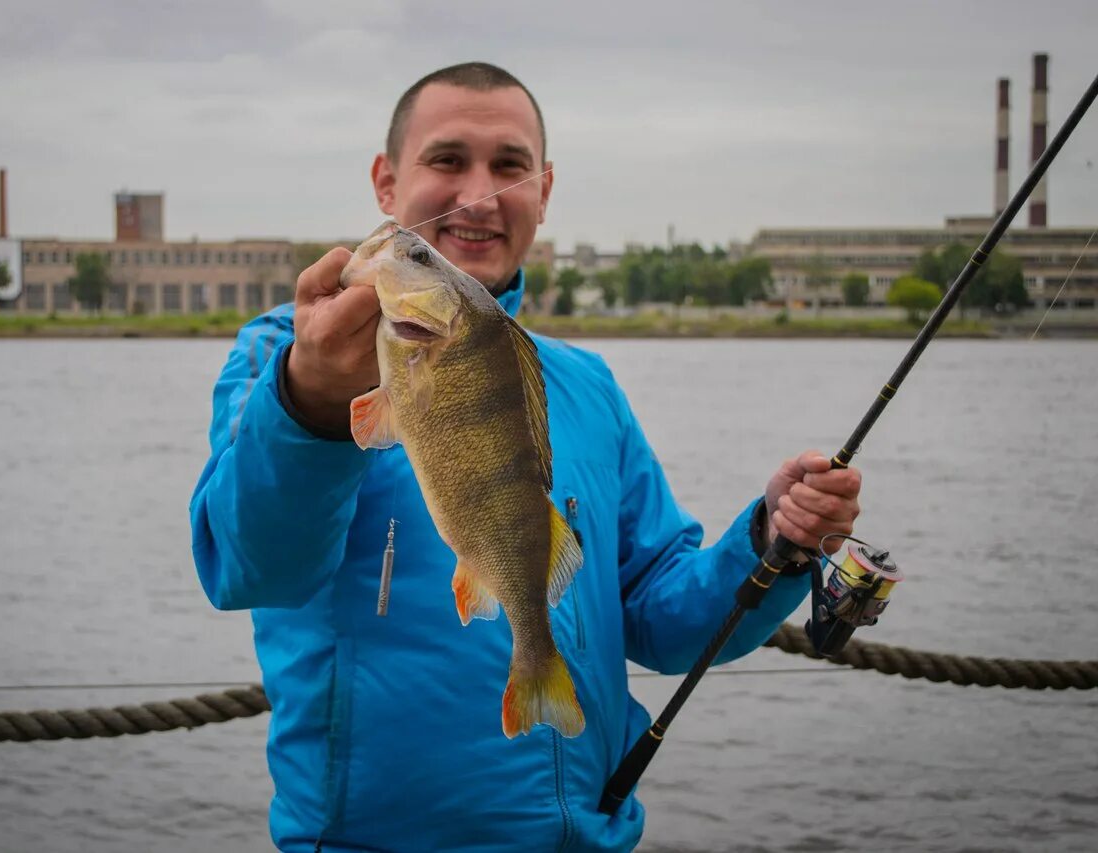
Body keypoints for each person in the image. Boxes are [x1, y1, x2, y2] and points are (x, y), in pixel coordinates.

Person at [190, 62, 861, 851]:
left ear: (543, 192)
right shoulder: (286, 355)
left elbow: (660, 615)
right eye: (447, 160)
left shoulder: (586, 384)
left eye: (509, 166)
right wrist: (307, 399)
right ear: (385, 181)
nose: (480, 189)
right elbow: (250, 568)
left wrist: (773, 542)